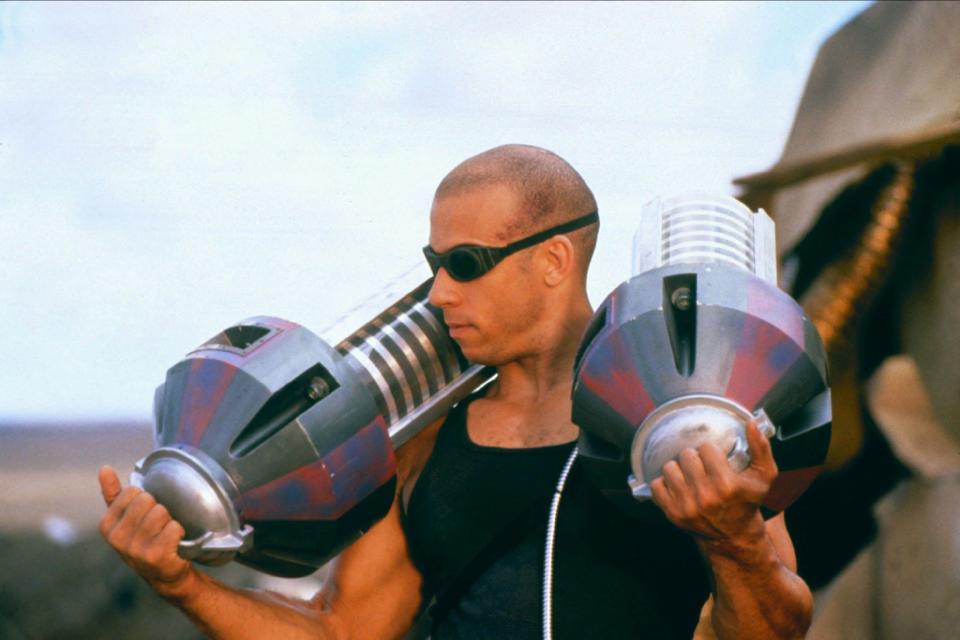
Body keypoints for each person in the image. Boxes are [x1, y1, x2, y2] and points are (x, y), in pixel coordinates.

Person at [99, 144, 813, 639]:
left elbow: (780, 625)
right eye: (435, 264)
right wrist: (182, 586)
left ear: (555, 260)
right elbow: (341, 630)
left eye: (467, 264)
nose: (439, 294)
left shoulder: (689, 410)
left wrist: (735, 542)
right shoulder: (423, 440)